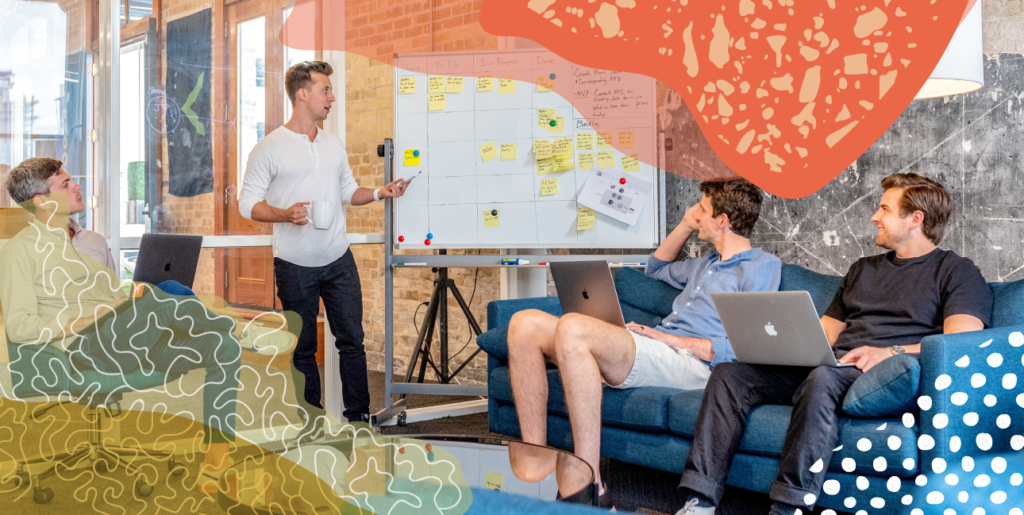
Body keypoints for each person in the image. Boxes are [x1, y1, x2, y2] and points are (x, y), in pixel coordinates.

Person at [676, 173, 994, 515]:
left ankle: (788, 507)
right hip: (835, 367)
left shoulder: (956, 271)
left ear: (915, 219)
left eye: (885, 209)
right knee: (729, 374)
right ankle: (699, 501)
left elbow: (961, 343)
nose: (874, 216)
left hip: (886, 374)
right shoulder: (862, 270)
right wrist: (781, 346)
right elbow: (824, 334)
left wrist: (890, 351)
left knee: (823, 379)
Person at [507, 178, 782, 503]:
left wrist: (672, 340)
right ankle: (536, 451)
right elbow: (654, 269)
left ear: (723, 221)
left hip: (694, 365)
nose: (695, 213)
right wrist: (683, 225)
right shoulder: (704, 265)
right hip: (659, 350)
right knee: (524, 323)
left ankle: (590, 483)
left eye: (702, 210)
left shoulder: (761, 267)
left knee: (573, 327)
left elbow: (745, 346)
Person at [0, 157, 243, 493]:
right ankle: (241, 330)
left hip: (125, 340)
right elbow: (18, 326)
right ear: (41, 202)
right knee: (166, 296)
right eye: (65, 183)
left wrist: (130, 298)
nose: (77, 185)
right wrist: (93, 317)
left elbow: (118, 294)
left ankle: (216, 460)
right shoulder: (20, 250)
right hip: (82, 351)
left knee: (220, 345)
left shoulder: (77, 248)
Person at [238, 61, 407, 423]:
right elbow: (247, 203)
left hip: (337, 258)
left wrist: (381, 191)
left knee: (352, 342)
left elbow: (348, 191)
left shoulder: (332, 145)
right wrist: (285, 214)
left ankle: (358, 418)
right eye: (325, 90)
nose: (332, 97)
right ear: (303, 93)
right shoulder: (269, 148)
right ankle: (310, 423)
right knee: (302, 349)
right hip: (294, 263)